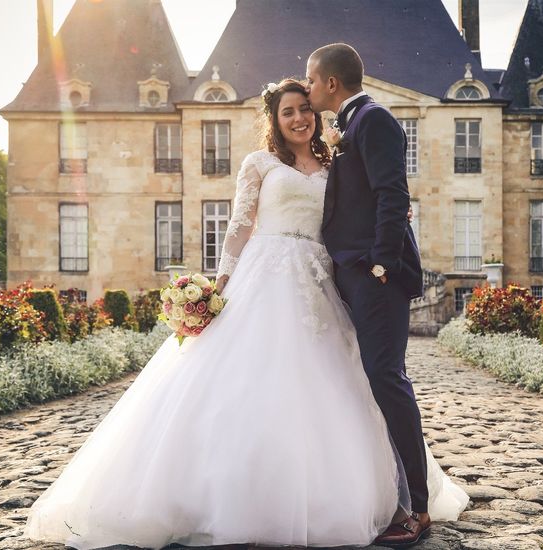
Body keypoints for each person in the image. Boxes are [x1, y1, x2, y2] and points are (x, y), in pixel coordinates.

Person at [24, 78, 466, 550]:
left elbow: (366, 203)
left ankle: (343, 489)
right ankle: (222, 493)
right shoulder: (259, 163)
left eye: (305, 109)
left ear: (317, 113)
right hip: (265, 271)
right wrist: (219, 285)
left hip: (320, 277)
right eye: (288, 112)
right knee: (241, 377)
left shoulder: (335, 163)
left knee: (329, 381)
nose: (299, 118)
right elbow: (237, 225)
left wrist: (397, 220)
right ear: (274, 121)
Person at [306, 43, 432, 546]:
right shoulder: (352, 125)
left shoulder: (374, 119)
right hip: (353, 273)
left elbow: (392, 192)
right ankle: (388, 493)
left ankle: (419, 508)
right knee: (369, 381)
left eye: (311, 81)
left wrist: (382, 263)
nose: (308, 87)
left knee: (386, 377)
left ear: (331, 83)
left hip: (374, 274)